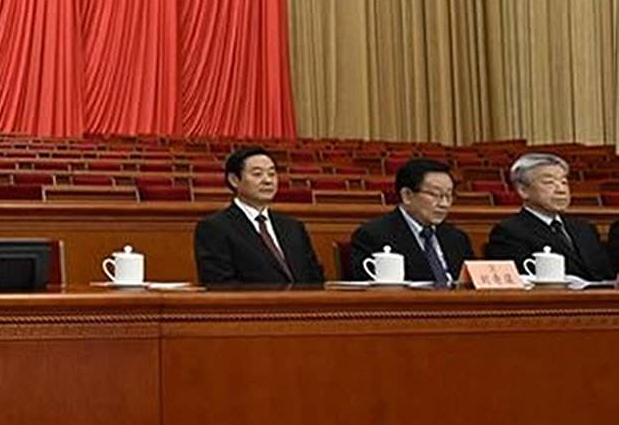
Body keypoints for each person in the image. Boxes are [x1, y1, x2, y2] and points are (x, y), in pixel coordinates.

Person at [193, 147, 324, 286]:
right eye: (257, 174)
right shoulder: (214, 228)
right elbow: (220, 284)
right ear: (234, 180)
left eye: (272, 174)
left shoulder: (293, 227)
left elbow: (315, 277)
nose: (267, 180)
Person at [485, 153, 614, 281]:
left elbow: (607, 274)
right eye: (549, 182)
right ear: (523, 190)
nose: (561, 190)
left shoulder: (585, 228)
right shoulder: (509, 232)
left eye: (564, 182)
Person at [347, 157, 474, 286]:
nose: (444, 204)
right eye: (435, 195)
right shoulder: (373, 236)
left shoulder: (458, 239)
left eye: (448, 195)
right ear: (407, 195)